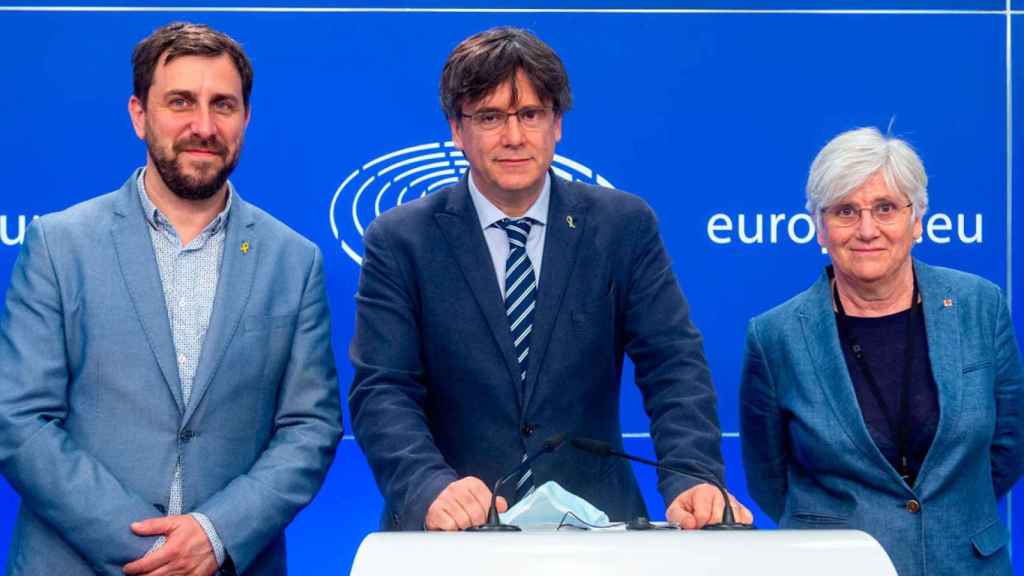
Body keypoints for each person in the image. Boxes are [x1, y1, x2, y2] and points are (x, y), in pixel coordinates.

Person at [350, 26, 750, 532]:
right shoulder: (400, 239)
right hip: (454, 531)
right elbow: (383, 389)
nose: (514, 137)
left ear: (557, 124)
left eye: (531, 115)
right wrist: (428, 486)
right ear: (456, 129)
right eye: (490, 117)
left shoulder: (621, 226)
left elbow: (673, 365)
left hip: (599, 528)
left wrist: (694, 476)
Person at [0, 22, 342, 575]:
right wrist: (150, 550)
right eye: (181, 102)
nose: (203, 126)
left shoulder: (293, 259)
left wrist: (215, 535)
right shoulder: (59, 244)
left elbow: (311, 427)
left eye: (222, 105)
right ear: (139, 114)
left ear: (246, 118)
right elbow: (19, 419)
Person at [740, 126, 1024, 575]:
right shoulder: (775, 336)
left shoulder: (979, 306)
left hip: (966, 563)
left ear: (917, 219)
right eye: (845, 211)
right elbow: (768, 478)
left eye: (886, 208)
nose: (867, 229)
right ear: (819, 225)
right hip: (837, 568)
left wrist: (951, 515)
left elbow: (1009, 444)